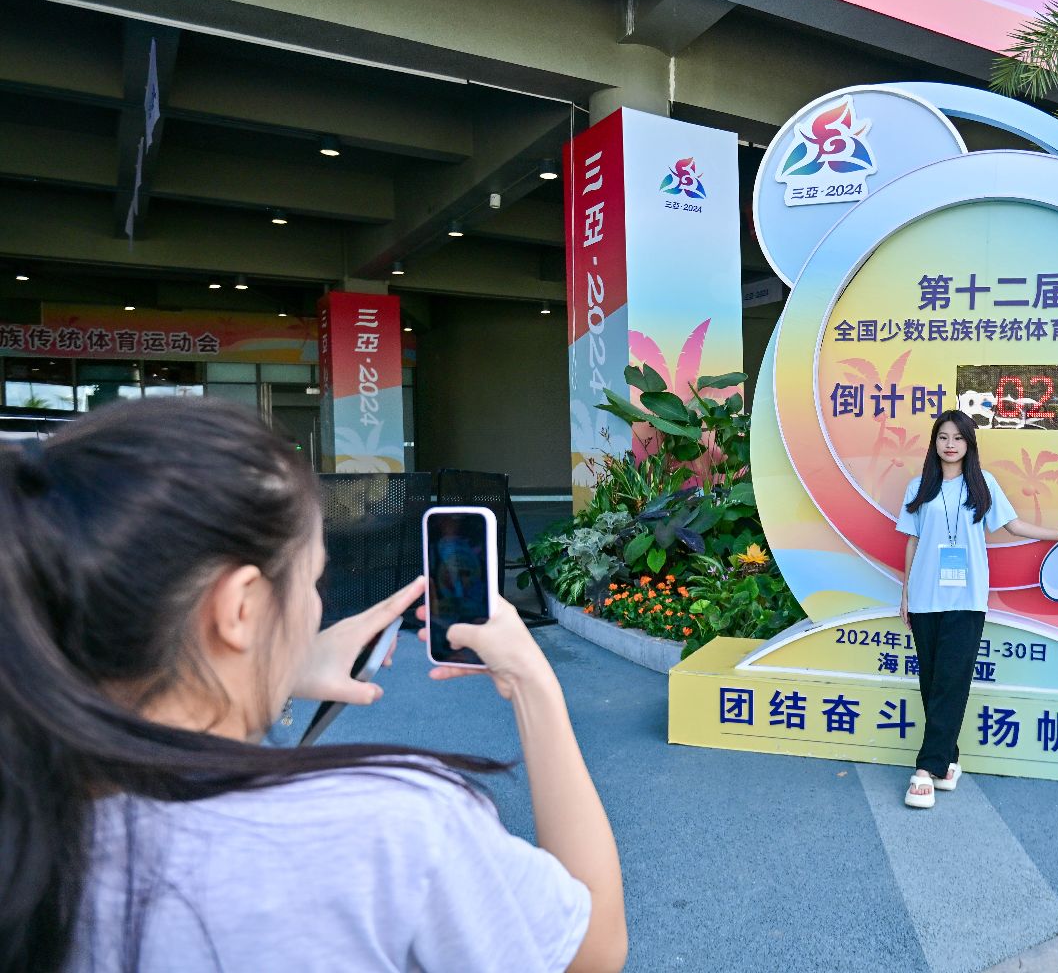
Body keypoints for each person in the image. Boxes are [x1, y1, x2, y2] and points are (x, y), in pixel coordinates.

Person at [0, 398, 627, 973]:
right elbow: (592, 950)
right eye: (311, 580)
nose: (315, 607)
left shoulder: (27, 814)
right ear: (240, 607)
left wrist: (273, 671)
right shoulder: (399, 825)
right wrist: (534, 683)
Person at [896, 410, 1058, 809]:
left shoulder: (982, 484)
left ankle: (925, 768)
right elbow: (912, 540)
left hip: (968, 597)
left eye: (958, 437)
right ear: (934, 443)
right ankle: (948, 761)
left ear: (969, 444)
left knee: (952, 679)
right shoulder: (917, 487)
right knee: (933, 681)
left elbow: (1014, 525)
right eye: (943, 437)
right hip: (924, 597)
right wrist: (905, 593)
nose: (950, 444)